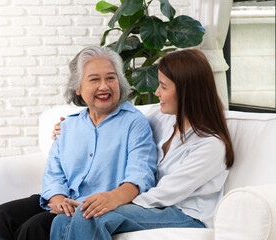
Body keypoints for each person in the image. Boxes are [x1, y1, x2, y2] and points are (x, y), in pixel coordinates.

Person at [50, 48, 234, 240]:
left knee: (90, 215)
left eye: (163, 86)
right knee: (62, 220)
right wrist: (72, 127)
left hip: (185, 214)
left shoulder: (210, 146)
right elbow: (121, 124)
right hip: (156, 208)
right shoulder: (161, 118)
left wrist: (114, 199)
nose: (156, 92)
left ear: (185, 91)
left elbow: (166, 193)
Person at [0, 46, 157, 240]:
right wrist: (57, 199)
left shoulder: (134, 122)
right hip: (64, 200)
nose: (104, 86)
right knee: (0, 215)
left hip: (96, 206)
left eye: (110, 78)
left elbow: (140, 176)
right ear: (78, 88)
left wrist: (112, 198)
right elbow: (54, 173)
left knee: (34, 228)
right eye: (94, 79)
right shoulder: (68, 125)